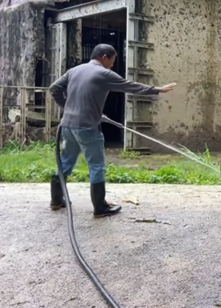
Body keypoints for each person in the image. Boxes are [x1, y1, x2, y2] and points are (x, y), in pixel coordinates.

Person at [48, 43, 177, 218]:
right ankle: (100, 207)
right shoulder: (103, 73)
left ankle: (56, 200)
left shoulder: (74, 71)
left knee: (65, 162)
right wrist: (156, 90)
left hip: (67, 126)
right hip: (87, 128)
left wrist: (68, 107)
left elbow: (54, 88)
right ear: (104, 57)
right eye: (112, 61)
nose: (112, 65)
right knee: (96, 166)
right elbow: (129, 86)